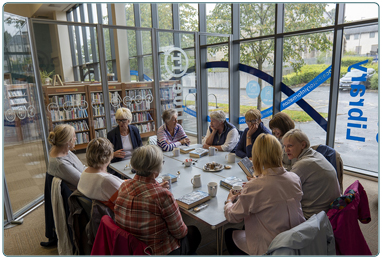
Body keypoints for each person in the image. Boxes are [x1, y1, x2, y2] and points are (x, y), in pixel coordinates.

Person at [224, 134, 305, 255]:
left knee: (228, 233)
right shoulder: (294, 178)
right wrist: (258, 181)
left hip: (269, 248)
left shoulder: (256, 187)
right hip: (293, 241)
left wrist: (229, 201)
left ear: (257, 156)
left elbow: (232, 217)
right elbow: (275, 189)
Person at [114, 145, 201, 255]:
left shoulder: (124, 186)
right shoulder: (163, 196)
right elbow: (180, 232)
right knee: (194, 233)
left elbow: (144, 193)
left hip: (131, 246)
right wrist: (158, 191)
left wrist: (156, 188)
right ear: (155, 168)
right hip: (156, 251)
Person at [282, 129, 341, 219]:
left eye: (290, 146)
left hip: (314, 217)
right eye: (284, 146)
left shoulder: (303, 164)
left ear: (303, 145)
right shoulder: (316, 154)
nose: (286, 150)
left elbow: (284, 189)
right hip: (330, 210)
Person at [77, 137, 124, 211]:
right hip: (115, 218)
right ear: (107, 156)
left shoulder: (85, 172)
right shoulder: (105, 180)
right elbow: (127, 202)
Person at [47, 124, 86, 191]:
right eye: (74, 136)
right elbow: (82, 182)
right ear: (67, 141)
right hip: (80, 192)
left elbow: (81, 168)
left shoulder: (65, 150)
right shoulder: (61, 163)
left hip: (84, 179)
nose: (75, 138)